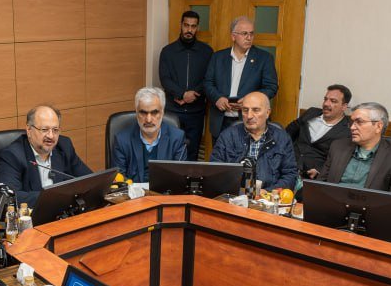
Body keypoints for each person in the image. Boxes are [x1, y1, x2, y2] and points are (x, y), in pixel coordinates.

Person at [0, 104, 91, 208]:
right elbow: (10, 198)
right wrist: (57, 197)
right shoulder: (12, 155)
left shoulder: (64, 146)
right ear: (29, 130)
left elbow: (90, 180)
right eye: (44, 129)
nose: (51, 136)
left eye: (55, 130)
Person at [202, 16, 278, 142]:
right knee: (220, 154)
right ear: (233, 36)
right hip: (221, 121)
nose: (249, 37)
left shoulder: (264, 58)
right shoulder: (218, 57)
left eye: (251, 33)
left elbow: (271, 87)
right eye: (244, 34)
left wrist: (250, 101)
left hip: (250, 120)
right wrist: (217, 98)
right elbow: (207, 83)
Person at [315, 102, 391, 194]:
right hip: (333, 202)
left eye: (359, 122)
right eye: (352, 122)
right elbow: (320, 185)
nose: (352, 127)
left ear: (378, 126)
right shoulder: (338, 146)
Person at [210, 91, 297, 191]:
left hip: (268, 197)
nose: (249, 116)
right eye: (245, 110)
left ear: (267, 113)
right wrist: (238, 192)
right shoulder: (228, 136)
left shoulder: (282, 138)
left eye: (256, 110)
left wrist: (267, 192)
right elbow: (215, 171)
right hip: (234, 195)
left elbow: (290, 175)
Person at [157, 10, 213, 160]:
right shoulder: (167, 52)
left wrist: (193, 94)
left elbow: (209, 79)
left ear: (197, 28)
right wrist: (182, 94)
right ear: (181, 25)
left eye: (193, 26)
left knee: (192, 152)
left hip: (196, 112)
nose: (189, 30)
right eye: (186, 25)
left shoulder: (207, 52)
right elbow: (165, 79)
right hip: (173, 111)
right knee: (170, 151)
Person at [112, 87, 187, 183]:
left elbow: (179, 178)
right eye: (143, 112)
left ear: (162, 112)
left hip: (164, 191)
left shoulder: (177, 138)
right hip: (133, 192)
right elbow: (119, 181)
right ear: (136, 112)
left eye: (154, 112)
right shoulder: (122, 140)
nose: (148, 120)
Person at [286, 84, 352, 179]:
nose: (326, 104)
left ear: (344, 106)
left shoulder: (347, 130)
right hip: (287, 164)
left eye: (333, 101)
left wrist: (320, 170)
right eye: (325, 99)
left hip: (311, 176)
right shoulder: (311, 113)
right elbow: (288, 132)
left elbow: (340, 160)